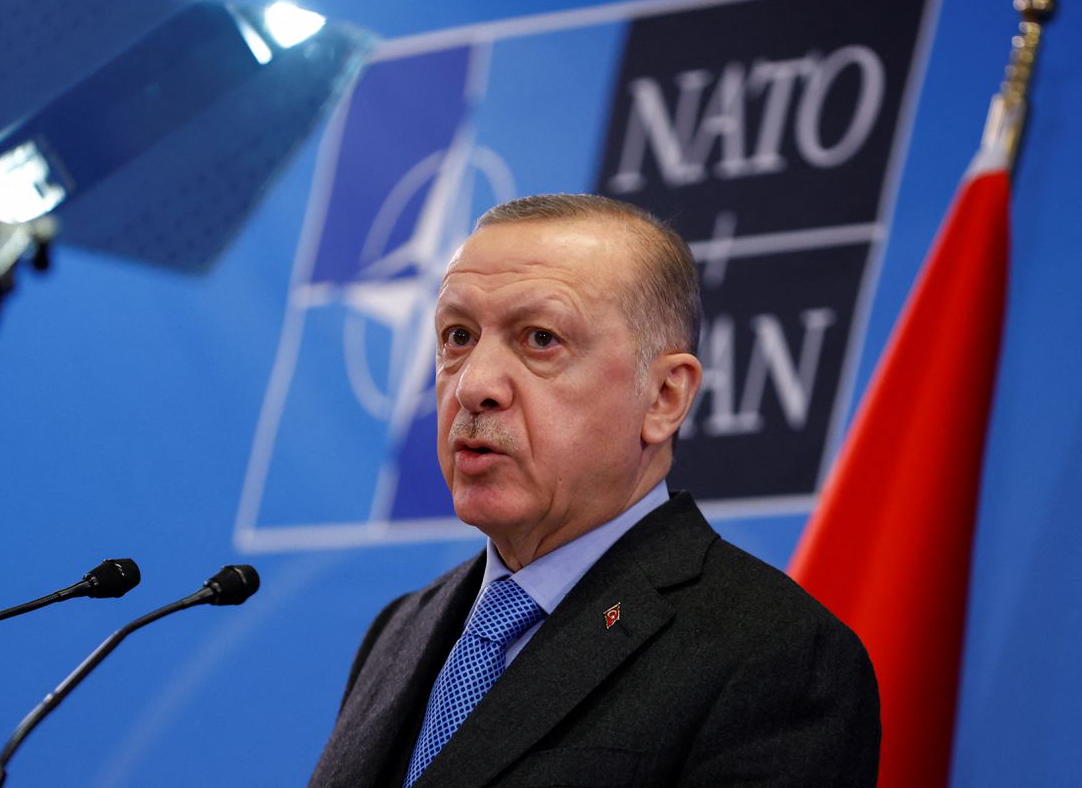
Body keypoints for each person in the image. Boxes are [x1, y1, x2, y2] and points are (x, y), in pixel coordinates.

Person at [310, 194, 880, 787]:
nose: (474, 384)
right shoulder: (400, 630)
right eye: (458, 335)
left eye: (539, 339)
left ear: (664, 398)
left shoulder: (774, 654)